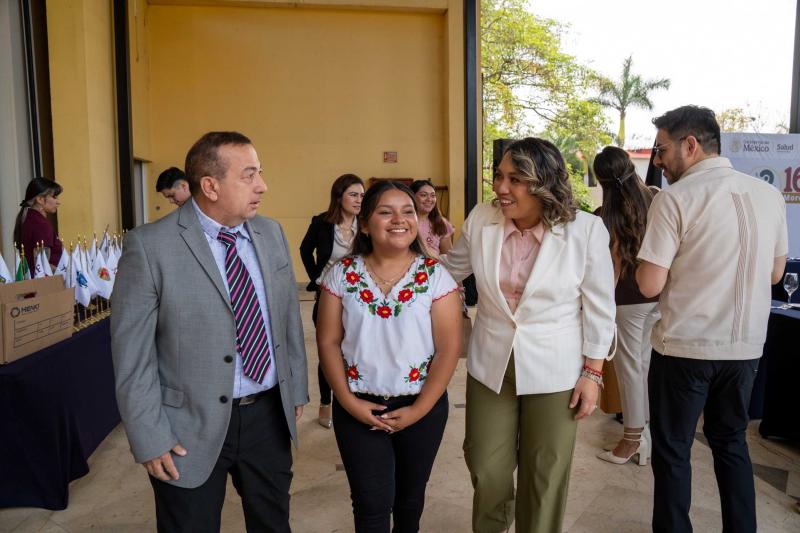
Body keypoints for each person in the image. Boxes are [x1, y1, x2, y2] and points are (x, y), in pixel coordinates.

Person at [111, 131, 309, 532]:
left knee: (274, 523)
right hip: (186, 425)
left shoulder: (270, 234)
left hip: (267, 414)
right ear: (210, 186)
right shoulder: (150, 247)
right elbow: (133, 355)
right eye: (249, 175)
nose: (262, 186)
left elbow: (286, 319)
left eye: (261, 173)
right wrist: (149, 436)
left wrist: (296, 389)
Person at [441, 137, 616, 533]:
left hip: (557, 369)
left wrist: (593, 373)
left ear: (545, 184)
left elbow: (601, 309)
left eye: (516, 179)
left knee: (546, 472)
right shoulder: (482, 221)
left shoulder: (585, 231)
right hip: (491, 364)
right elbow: (448, 273)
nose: (501, 188)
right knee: (486, 465)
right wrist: (390, 264)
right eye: (499, 176)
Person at [636, 105, 788, 533]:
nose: (659, 161)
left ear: (691, 144)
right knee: (731, 443)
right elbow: (776, 274)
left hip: (684, 348)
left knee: (673, 451)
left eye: (662, 150)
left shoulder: (675, 199)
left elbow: (649, 284)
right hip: (744, 349)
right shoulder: (769, 195)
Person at [316, 180, 462, 533]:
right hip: (358, 407)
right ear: (365, 223)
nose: (399, 220)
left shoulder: (434, 276)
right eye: (385, 212)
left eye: (407, 211)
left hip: (422, 408)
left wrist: (418, 409)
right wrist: (348, 403)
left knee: (410, 501)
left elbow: (448, 349)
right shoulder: (341, 274)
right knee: (369, 505)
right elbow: (328, 343)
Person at [592, 146, 660, 466]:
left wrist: (601, 310)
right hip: (659, 297)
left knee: (630, 372)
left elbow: (613, 270)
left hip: (628, 302)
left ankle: (632, 439)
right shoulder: (657, 199)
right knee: (643, 369)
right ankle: (643, 435)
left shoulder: (607, 215)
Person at [300, 173, 365, 428]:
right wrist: (316, 277)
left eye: (361, 195)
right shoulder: (322, 222)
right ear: (339, 197)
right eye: (353, 194)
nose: (359, 200)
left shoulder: (367, 224)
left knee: (356, 350)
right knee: (329, 351)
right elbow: (305, 250)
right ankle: (326, 402)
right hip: (327, 296)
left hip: (359, 298)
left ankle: (352, 398)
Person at [14, 177, 63, 269]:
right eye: (54, 197)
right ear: (40, 199)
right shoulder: (40, 224)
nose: (58, 202)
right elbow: (43, 266)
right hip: (44, 281)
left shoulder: (28, 218)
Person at [410, 179, 454, 255]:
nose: (429, 199)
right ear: (412, 197)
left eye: (433, 195)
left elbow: (447, 257)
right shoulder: (404, 222)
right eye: (423, 195)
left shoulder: (442, 223)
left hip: (434, 265)